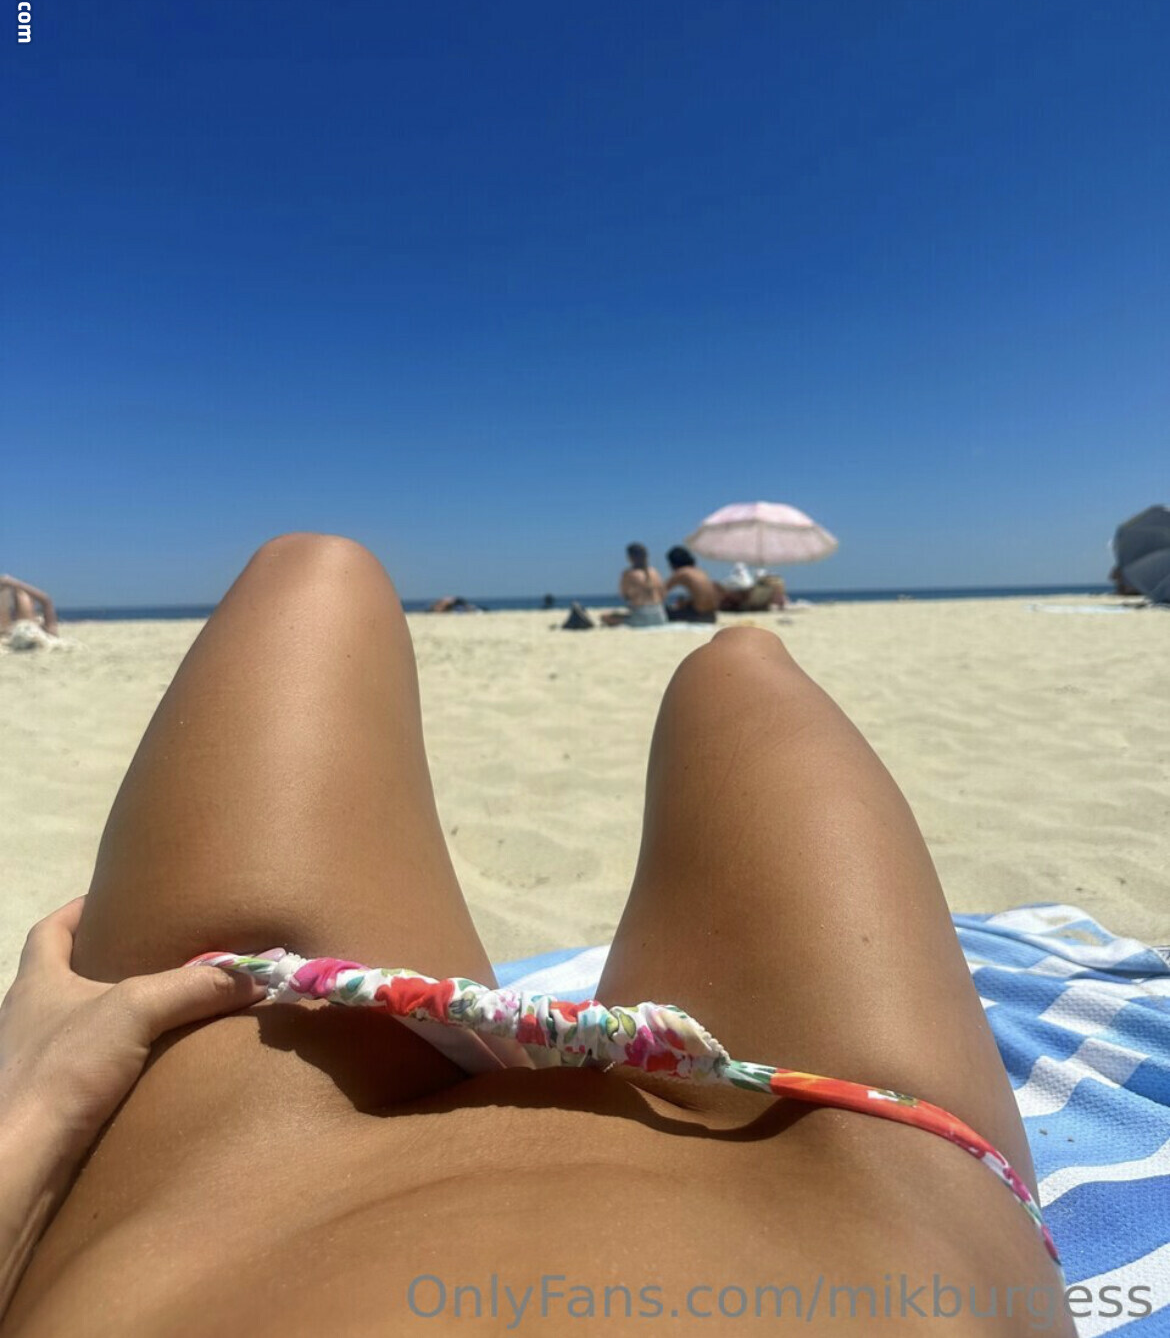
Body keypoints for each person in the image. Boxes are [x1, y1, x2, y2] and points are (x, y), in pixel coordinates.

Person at [0, 535, 1069, 1336]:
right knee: (740, 668)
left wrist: (28, 1116)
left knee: (315, 569)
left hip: (228, 1199)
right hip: (857, 1197)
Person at [600, 543, 667, 627]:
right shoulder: (655, 572)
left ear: (630, 557)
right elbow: (663, 594)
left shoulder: (628, 574)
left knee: (605, 617)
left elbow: (624, 596)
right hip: (660, 616)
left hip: (642, 618)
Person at [663, 545, 720, 624]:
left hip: (699, 616)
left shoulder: (681, 572)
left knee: (666, 612)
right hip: (712, 615)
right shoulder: (699, 571)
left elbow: (662, 591)